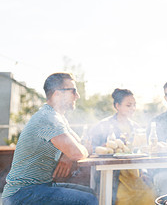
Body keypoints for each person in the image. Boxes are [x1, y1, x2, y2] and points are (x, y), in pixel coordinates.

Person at [2, 72, 98, 205]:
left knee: (91, 194)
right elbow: (77, 152)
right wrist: (75, 152)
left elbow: (77, 144)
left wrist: (68, 153)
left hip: (37, 188)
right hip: (22, 193)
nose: (77, 96)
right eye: (73, 91)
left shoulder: (58, 117)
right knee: (89, 200)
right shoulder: (48, 118)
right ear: (58, 94)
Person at [90, 88, 155, 205]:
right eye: (129, 105)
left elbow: (143, 152)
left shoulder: (136, 127)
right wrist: (105, 148)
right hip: (115, 178)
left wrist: (144, 172)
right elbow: (91, 149)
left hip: (135, 177)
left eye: (134, 105)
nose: (133, 109)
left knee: (150, 195)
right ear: (117, 106)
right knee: (122, 197)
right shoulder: (103, 126)